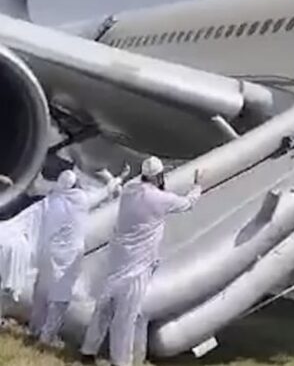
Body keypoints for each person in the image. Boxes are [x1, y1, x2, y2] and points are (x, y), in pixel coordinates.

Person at [80, 156, 203, 366]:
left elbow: (143, 184)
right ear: (158, 177)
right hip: (138, 268)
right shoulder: (161, 199)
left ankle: (88, 351)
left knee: (103, 310)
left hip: (117, 262)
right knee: (125, 319)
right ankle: (120, 362)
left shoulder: (130, 190)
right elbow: (187, 204)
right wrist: (198, 185)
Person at [29, 166, 129, 346]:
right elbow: (106, 191)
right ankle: (47, 337)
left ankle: (34, 330)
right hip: (68, 257)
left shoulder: (52, 199)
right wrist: (120, 178)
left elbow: (38, 187)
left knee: (41, 294)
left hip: (47, 253)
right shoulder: (81, 200)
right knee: (60, 298)